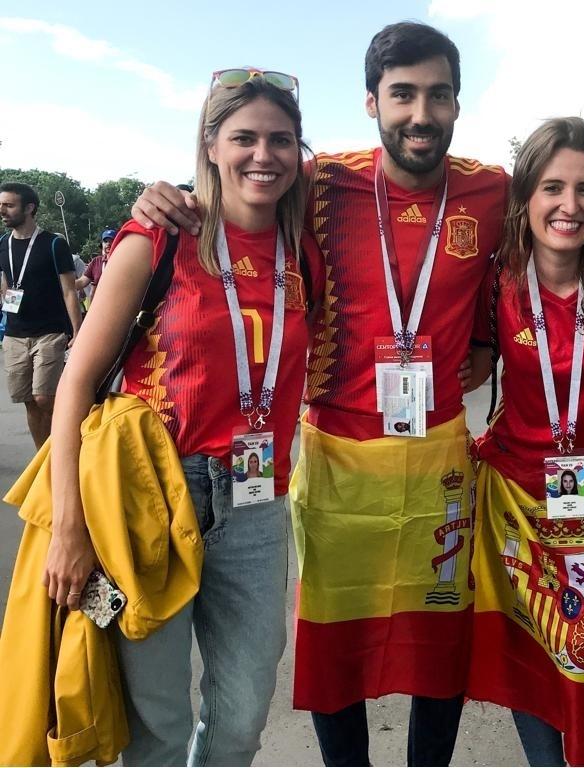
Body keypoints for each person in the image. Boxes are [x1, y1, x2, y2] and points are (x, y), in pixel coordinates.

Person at [129, 26, 584, 766]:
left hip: (439, 458)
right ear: (372, 101)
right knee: (337, 653)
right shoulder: (323, 182)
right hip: (339, 460)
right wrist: (168, 194)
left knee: (439, 647)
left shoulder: (490, 186)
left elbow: (560, 209)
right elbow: (246, 175)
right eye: (402, 94)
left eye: (437, 95)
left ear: (456, 105)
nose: (420, 112)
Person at [46, 69, 324, 765]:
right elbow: (75, 383)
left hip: (258, 506)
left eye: (281, 140)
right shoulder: (157, 239)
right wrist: (68, 528)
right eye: (245, 138)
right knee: (159, 724)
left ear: (300, 152)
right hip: (151, 498)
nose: (264, 155)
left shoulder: (304, 253)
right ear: (210, 145)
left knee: (239, 718)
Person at [464, 116, 584, 767]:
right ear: (526, 198)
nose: (569, 205)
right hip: (516, 494)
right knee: (530, 638)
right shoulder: (497, 279)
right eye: (551, 188)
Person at [0, 182, 83, 448]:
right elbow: (5, 279)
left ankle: (70, 442)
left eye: (9, 205)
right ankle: (42, 458)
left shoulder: (54, 244)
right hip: (14, 333)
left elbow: (70, 291)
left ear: (29, 208)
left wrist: (78, 332)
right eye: (1, 205)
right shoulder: (2, 244)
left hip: (50, 331)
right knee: (28, 400)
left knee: (44, 397)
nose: (2, 210)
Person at [75, 228, 117, 295]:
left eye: (112, 241)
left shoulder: (121, 261)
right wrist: (65, 285)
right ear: (102, 244)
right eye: (105, 241)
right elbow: (82, 282)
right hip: (100, 302)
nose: (108, 244)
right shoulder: (96, 261)